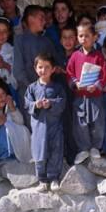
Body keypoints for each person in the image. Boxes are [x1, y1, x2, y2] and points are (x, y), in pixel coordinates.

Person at [66, 22, 106, 164]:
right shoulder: (74, 56)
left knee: (98, 122)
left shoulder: (98, 56)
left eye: (87, 36)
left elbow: (104, 74)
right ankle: (83, 148)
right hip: (80, 96)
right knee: (80, 123)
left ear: (95, 37)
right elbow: (69, 73)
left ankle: (95, 147)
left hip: (95, 96)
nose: (84, 39)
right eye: (81, 35)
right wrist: (76, 83)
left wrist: (96, 86)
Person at [25, 53, 66, 192]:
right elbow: (26, 104)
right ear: (35, 69)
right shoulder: (31, 88)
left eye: (47, 67)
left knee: (55, 151)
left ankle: (53, 177)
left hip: (54, 126)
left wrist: (51, 104)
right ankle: (42, 180)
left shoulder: (57, 87)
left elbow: (62, 103)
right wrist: (35, 105)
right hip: (38, 128)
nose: (43, 70)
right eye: (40, 67)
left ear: (53, 69)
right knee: (39, 152)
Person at [13, 5, 57, 127]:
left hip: (46, 92)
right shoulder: (19, 40)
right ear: (31, 18)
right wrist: (32, 88)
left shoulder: (47, 42)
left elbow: (54, 64)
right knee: (31, 127)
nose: (45, 21)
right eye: (41, 17)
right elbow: (18, 70)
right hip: (27, 92)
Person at [55, 25, 79, 165]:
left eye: (71, 37)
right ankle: (66, 155)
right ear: (60, 40)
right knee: (64, 125)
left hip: (77, 96)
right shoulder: (56, 56)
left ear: (76, 39)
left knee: (76, 126)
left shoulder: (80, 55)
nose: (68, 41)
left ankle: (76, 154)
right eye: (65, 37)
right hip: (61, 96)